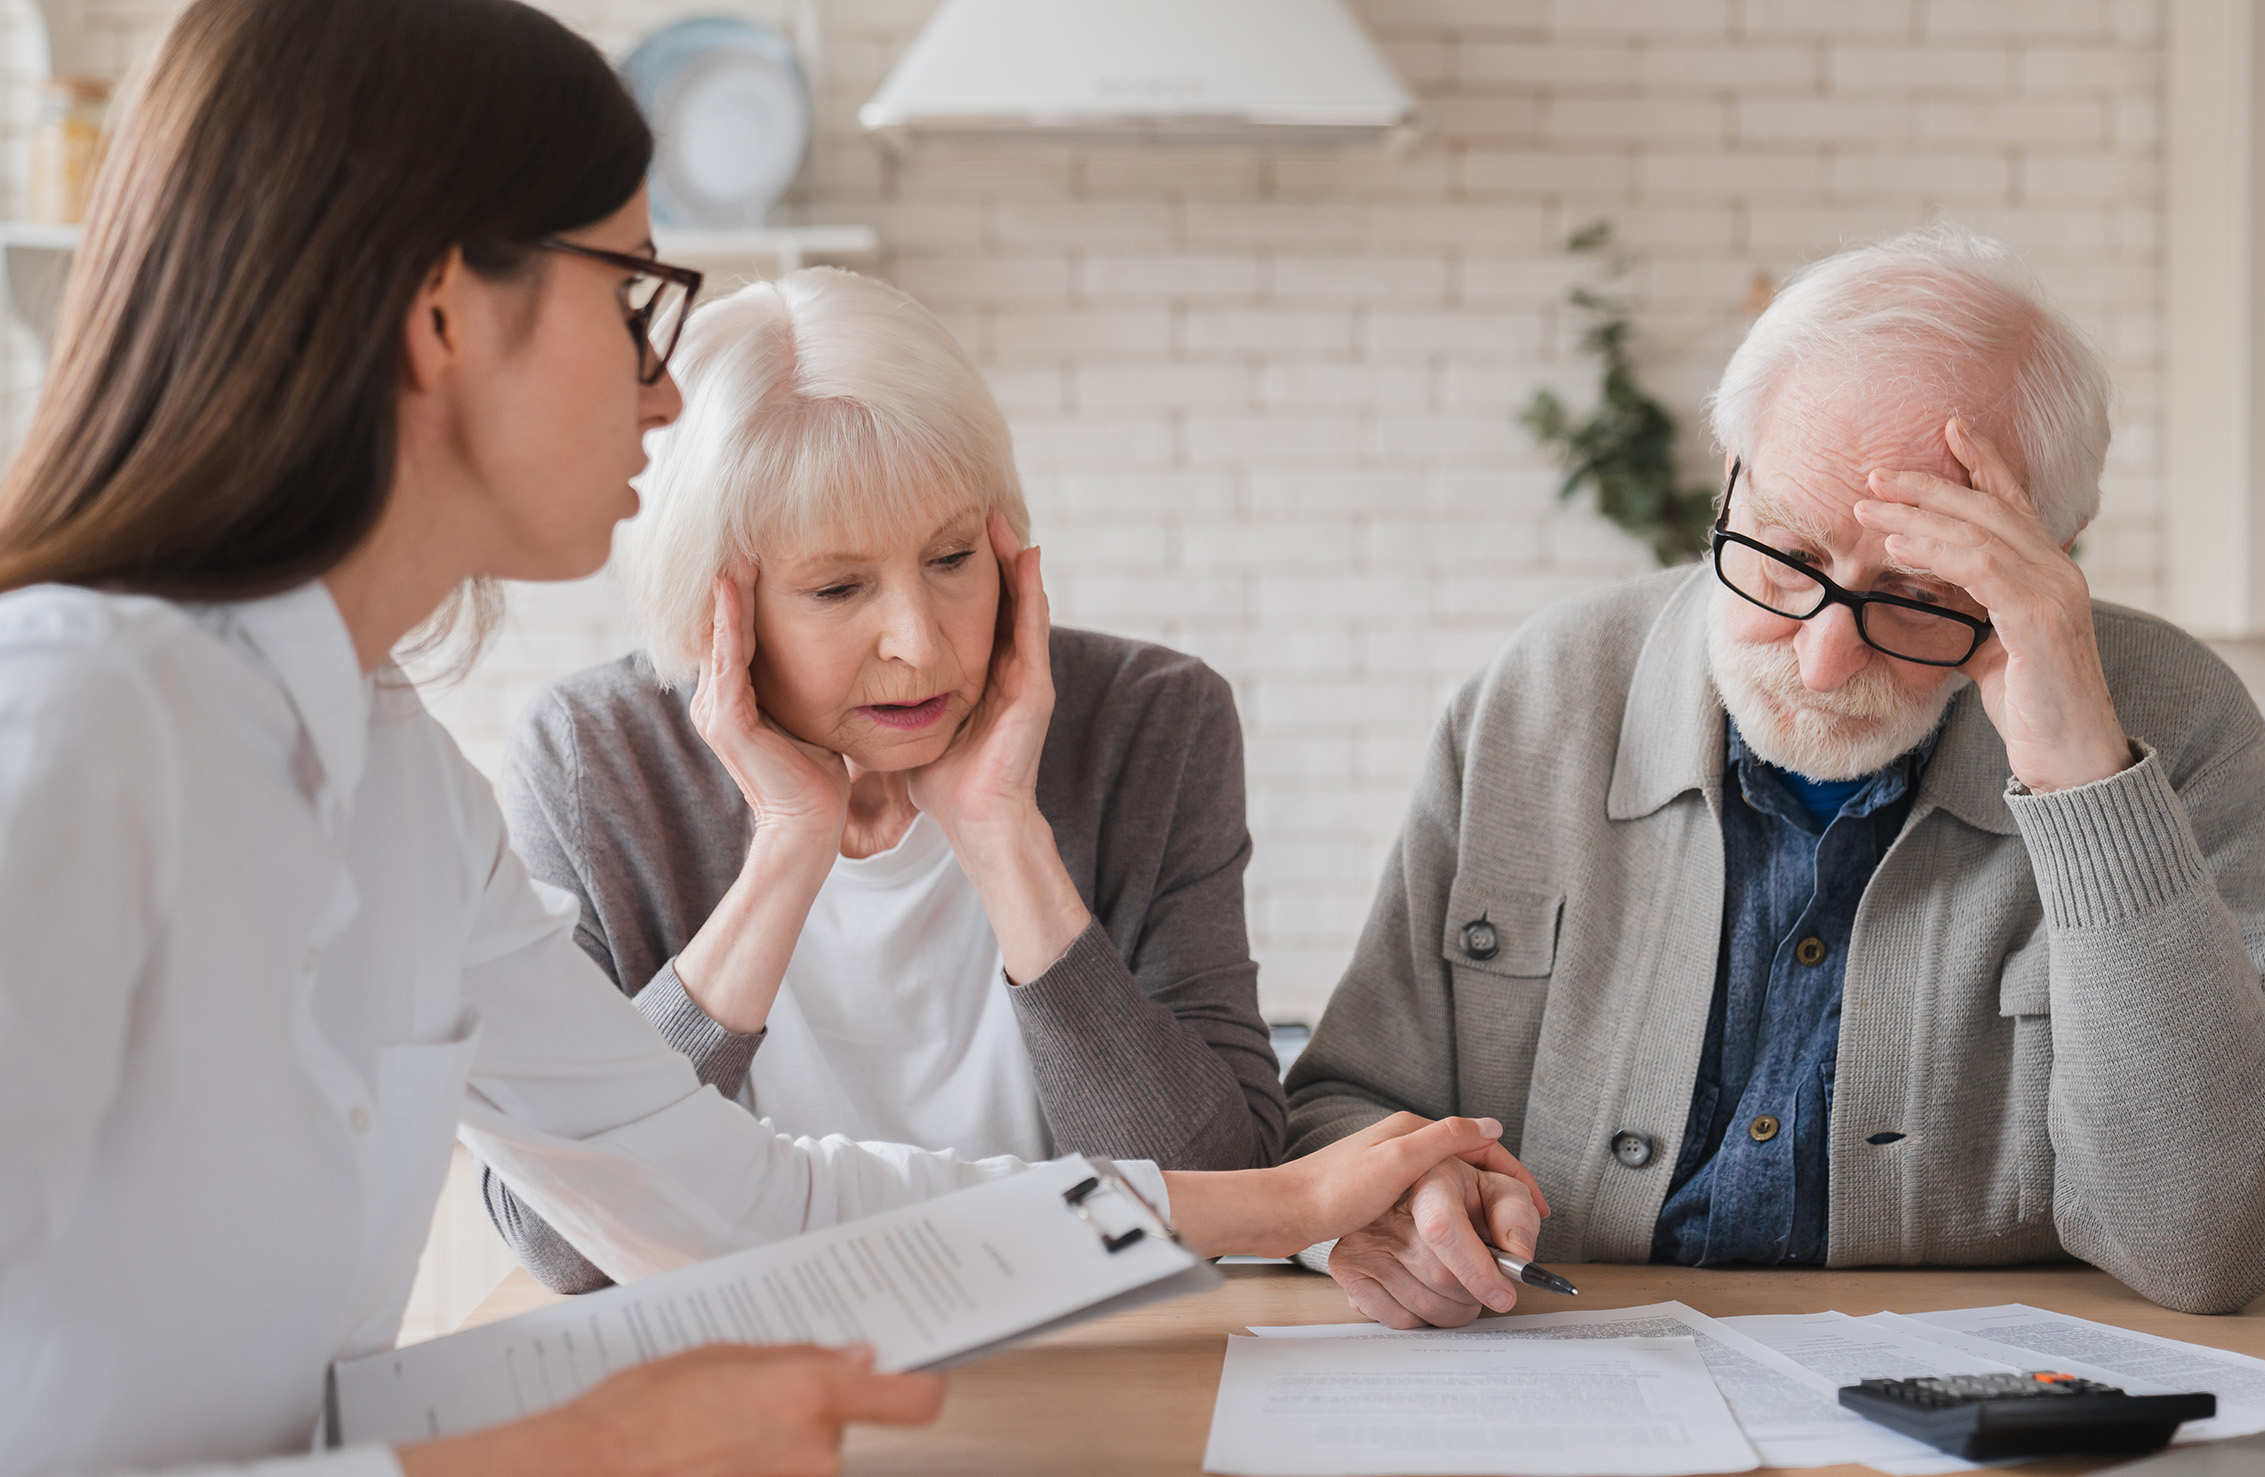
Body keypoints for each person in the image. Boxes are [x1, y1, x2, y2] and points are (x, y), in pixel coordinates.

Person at [0, 1, 1539, 1472]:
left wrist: (1278, 1195)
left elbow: (740, 1202)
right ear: (442, 312)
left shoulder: (399, 778)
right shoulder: (71, 724)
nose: (668, 391)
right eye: (634, 299)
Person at [1286, 224, 2265, 1325]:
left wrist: (2085, 779)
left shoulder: (2182, 725)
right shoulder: (1543, 692)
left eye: (1920, 595)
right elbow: (1341, 1107)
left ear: (2047, 560)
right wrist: (1393, 1203)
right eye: (1783, 555)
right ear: (1730, 477)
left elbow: (2218, 1242)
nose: (1825, 660)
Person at [479, 267, 1283, 1293]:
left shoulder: (1152, 721)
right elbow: (558, 1240)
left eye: (952, 558)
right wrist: (784, 847)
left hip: (1084, 1343)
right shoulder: (594, 761)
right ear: (711, 606)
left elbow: (1230, 1190)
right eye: (838, 586)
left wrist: (1004, 836)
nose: (917, 641)